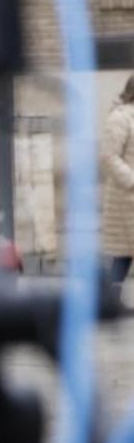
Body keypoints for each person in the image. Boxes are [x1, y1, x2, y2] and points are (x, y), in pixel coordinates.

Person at [99, 75, 134, 292]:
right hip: (127, 198)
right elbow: (108, 157)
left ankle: (111, 297)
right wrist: (132, 181)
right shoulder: (120, 118)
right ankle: (110, 298)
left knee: (123, 256)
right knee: (123, 256)